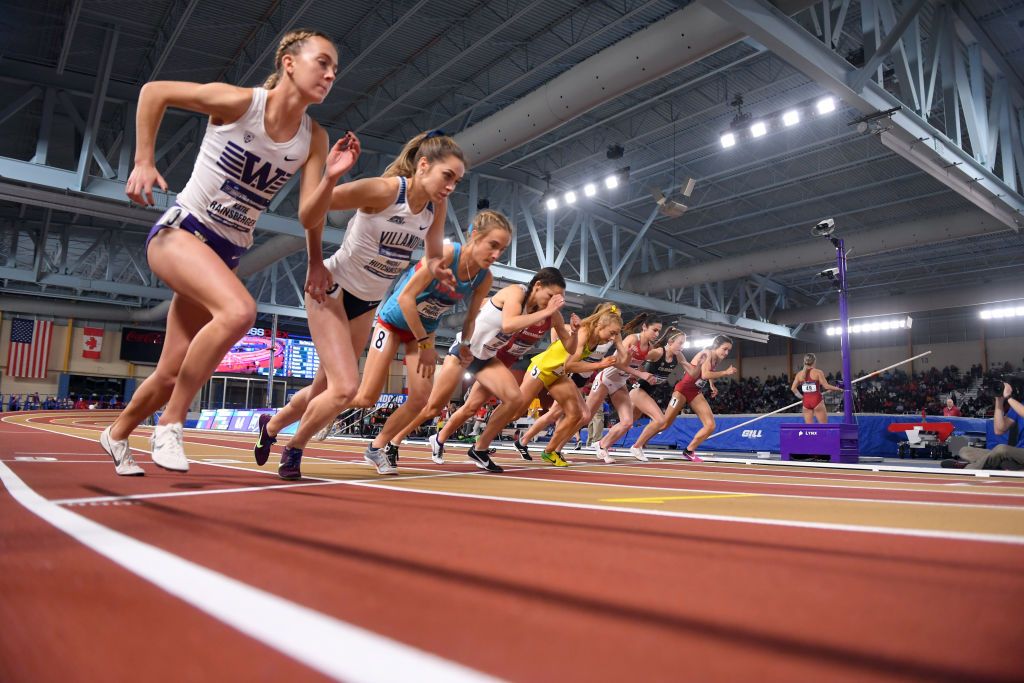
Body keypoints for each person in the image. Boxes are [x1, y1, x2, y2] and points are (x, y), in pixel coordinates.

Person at [100, 29, 348, 477]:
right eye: (322, 62)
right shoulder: (241, 103)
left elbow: (309, 214)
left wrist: (329, 179)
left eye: (335, 70)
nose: (331, 74)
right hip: (182, 234)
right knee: (239, 312)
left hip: (224, 254)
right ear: (289, 63)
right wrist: (143, 160)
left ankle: (116, 434)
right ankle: (172, 424)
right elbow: (154, 92)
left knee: (170, 372)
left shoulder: (314, 138)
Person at [252, 130, 463, 480]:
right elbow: (311, 211)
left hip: (365, 304)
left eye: (457, 180)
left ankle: (271, 427)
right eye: (448, 176)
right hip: (330, 290)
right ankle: (294, 448)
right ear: (423, 166)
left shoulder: (434, 208)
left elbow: (433, 254)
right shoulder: (384, 191)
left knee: (323, 390)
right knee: (346, 389)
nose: (452, 186)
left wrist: (439, 269)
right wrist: (316, 260)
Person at [358, 210, 512, 473]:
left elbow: (470, 319)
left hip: (423, 330)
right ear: (475, 236)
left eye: (503, 249)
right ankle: (317, 403)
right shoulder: (446, 253)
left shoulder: (484, 278)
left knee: (420, 399)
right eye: (493, 245)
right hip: (394, 322)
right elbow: (406, 299)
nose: (497, 255)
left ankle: (376, 448)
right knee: (366, 396)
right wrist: (426, 344)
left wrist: (465, 345)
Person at [385, 268, 569, 472]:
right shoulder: (516, 292)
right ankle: (393, 442)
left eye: (556, 299)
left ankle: (480, 449)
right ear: (538, 286)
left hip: (486, 358)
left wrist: (574, 331)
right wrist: (547, 312)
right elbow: (508, 325)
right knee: (433, 408)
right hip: (462, 353)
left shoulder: (543, 312)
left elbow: (569, 346)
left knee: (515, 399)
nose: (551, 301)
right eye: (550, 295)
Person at [512, 303, 623, 461]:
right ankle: (484, 440)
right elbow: (569, 364)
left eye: (616, 334)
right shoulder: (584, 331)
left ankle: (551, 451)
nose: (613, 337)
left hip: (559, 374)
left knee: (577, 414)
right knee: (515, 412)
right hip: (543, 368)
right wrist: (599, 364)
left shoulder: (598, 338)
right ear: (601, 323)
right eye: (612, 333)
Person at [590, 315, 663, 463]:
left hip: (619, 383)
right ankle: (555, 448)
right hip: (605, 379)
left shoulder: (649, 348)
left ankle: (602, 445)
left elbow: (635, 365)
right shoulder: (631, 339)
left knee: (627, 422)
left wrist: (640, 374)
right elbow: (614, 363)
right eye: (654, 330)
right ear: (644, 327)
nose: (657, 334)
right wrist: (640, 374)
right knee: (585, 416)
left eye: (659, 332)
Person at [657, 335, 738, 462]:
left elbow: (708, 372)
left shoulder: (717, 358)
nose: (726, 353)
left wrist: (712, 385)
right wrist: (725, 373)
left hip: (695, 392)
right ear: (716, 346)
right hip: (682, 391)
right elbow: (705, 374)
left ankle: (689, 451)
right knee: (664, 424)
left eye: (729, 350)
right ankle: (637, 443)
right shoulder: (706, 353)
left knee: (710, 425)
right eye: (724, 349)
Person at [625, 330, 696, 459]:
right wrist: (637, 373)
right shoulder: (658, 353)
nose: (682, 347)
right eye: (680, 343)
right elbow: (637, 360)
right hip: (638, 390)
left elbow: (691, 372)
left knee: (627, 423)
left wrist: (701, 368)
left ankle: (603, 444)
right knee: (660, 420)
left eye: (684, 344)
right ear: (670, 342)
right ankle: (636, 447)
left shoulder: (678, 356)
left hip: (647, 392)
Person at [943, 382, 1024, 470]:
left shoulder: (1017, 405)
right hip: (1017, 454)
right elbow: (999, 430)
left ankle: (968, 468)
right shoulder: (1019, 405)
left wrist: (1009, 397)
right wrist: (999, 399)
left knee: (1001, 450)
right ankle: (1006, 466)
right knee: (965, 451)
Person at [791, 353, 842, 424]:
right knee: (824, 427)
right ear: (814, 361)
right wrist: (838, 388)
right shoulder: (818, 372)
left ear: (804, 361)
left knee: (809, 429)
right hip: (817, 400)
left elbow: (793, 389)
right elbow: (826, 386)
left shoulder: (799, 374)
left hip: (806, 402)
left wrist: (802, 398)